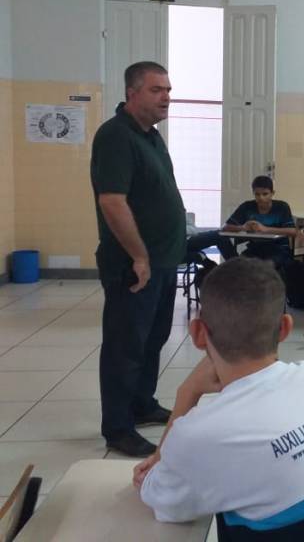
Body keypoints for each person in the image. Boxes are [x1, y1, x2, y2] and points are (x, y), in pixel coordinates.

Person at [135, 259, 304, 540]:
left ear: (198, 334)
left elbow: (157, 494)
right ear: (285, 328)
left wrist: (188, 393)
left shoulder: (199, 434)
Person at [90, 61, 185, 457]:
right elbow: (112, 201)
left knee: (153, 338)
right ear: (132, 93)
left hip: (162, 260)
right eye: (156, 90)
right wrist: (139, 256)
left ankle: (142, 403)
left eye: (168, 90)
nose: (166, 97)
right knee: (125, 346)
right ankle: (117, 427)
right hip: (134, 264)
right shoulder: (116, 136)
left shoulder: (151, 136)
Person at [221, 175, 304, 268]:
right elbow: (225, 227)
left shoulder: (282, 207)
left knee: (266, 267)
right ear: (253, 193)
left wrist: (265, 229)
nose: (261, 198)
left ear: (272, 193)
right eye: (257, 194)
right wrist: (243, 227)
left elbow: (292, 231)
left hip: (279, 249)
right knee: (239, 266)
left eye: (265, 194)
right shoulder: (247, 207)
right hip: (255, 248)